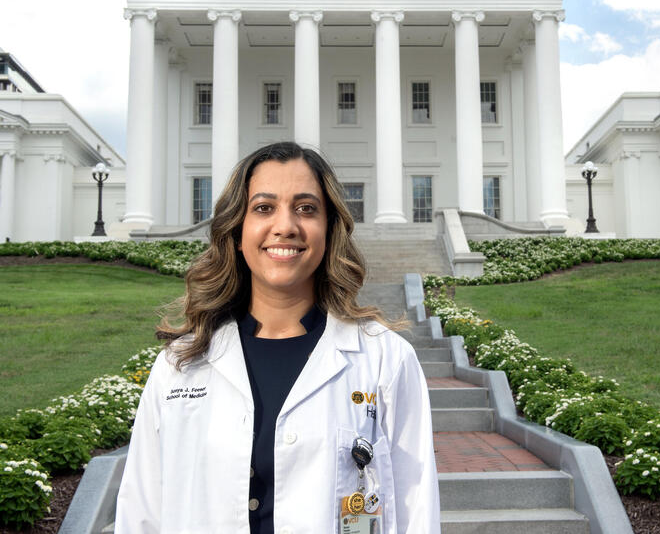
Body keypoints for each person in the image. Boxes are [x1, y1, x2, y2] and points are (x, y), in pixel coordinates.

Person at [115, 142, 440, 534]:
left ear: (329, 229)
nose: (286, 226)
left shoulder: (386, 359)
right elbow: (141, 514)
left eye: (306, 208)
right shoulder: (179, 365)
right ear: (237, 231)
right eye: (264, 208)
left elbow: (416, 511)